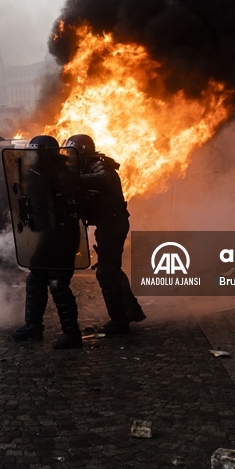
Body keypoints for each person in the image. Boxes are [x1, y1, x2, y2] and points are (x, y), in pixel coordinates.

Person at [64, 133, 145, 335]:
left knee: (106, 271)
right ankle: (130, 310)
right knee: (112, 270)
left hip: (113, 223)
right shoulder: (83, 166)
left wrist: (72, 178)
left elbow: (103, 178)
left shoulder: (99, 164)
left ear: (82, 151)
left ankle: (119, 320)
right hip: (107, 224)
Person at [10, 135, 83, 350]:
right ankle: (33, 326)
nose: (36, 157)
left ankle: (72, 333)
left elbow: (74, 204)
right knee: (36, 277)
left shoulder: (66, 174)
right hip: (47, 234)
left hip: (64, 234)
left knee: (58, 283)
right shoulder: (35, 174)